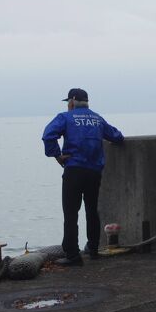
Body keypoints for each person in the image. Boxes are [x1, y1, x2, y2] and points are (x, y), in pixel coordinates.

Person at [42, 88, 124, 266]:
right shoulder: (97, 119)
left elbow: (48, 135)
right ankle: (93, 249)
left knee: (71, 213)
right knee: (92, 211)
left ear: (72, 101)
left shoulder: (65, 117)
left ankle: (73, 255)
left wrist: (57, 155)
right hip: (94, 172)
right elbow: (117, 136)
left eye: (68, 102)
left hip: (74, 170)